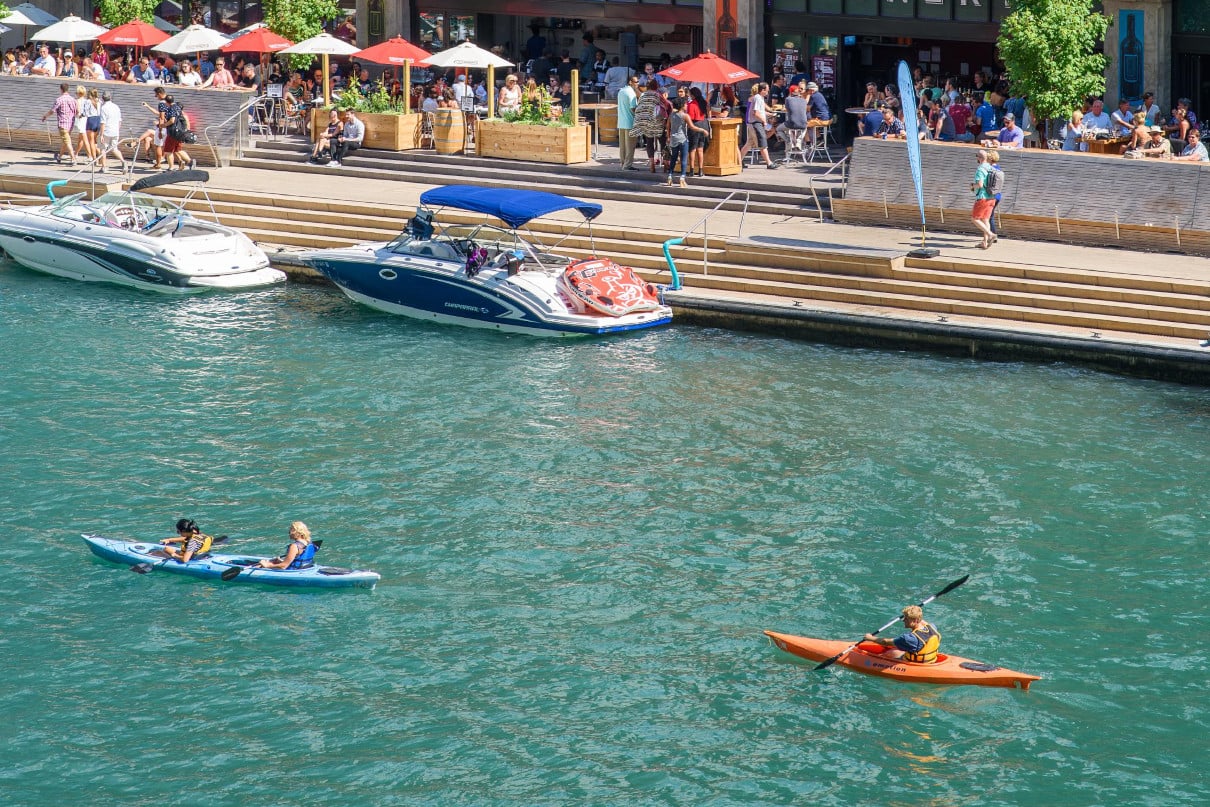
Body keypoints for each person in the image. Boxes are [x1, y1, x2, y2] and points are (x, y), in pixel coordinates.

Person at [863, 605, 941, 663]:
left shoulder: (909, 639)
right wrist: (912, 611)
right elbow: (921, 621)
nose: (903, 620)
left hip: (916, 664)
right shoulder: (932, 626)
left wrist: (870, 638)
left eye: (906, 619)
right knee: (894, 651)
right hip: (931, 660)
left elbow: (885, 642)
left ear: (915, 620)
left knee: (887, 654)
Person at [665, 96, 708, 188]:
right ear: (681, 106)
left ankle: (670, 176)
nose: (686, 105)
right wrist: (703, 130)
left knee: (673, 158)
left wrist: (668, 136)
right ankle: (682, 178)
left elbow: (668, 126)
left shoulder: (671, 115)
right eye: (685, 104)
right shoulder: (685, 116)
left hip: (673, 139)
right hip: (683, 139)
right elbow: (692, 127)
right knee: (684, 159)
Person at [739, 82, 777, 170]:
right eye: (767, 91)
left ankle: (738, 161)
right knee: (762, 143)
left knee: (749, 144)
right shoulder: (757, 98)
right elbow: (755, 113)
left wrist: (769, 114)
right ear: (762, 90)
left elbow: (760, 111)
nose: (768, 92)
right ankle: (769, 163)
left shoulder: (759, 98)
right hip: (756, 123)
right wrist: (764, 121)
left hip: (753, 123)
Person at [41, 83, 78, 166]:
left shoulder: (59, 100)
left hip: (63, 123)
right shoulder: (73, 99)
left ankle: (73, 158)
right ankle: (59, 157)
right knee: (65, 141)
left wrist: (45, 116)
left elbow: (52, 111)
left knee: (67, 141)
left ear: (61, 89)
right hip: (71, 123)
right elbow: (76, 111)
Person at [970, 148, 997, 249]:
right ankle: (984, 243)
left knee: (974, 218)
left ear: (980, 158)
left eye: (977, 156)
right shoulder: (990, 167)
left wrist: (972, 185)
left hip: (982, 198)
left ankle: (990, 234)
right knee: (985, 220)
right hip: (992, 197)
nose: (976, 158)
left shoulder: (980, 169)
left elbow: (980, 185)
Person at [160, 94, 194, 170]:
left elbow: (172, 120)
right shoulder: (178, 108)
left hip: (173, 133)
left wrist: (163, 125)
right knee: (178, 150)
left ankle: (171, 168)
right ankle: (190, 161)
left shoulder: (172, 109)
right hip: (179, 133)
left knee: (168, 151)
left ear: (166, 102)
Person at [97, 91, 125, 173]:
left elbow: (103, 122)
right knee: (114, 149)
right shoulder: (116, 107)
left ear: (102, 98)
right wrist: (117, 130)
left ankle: (104, 167)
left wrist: (101, 135)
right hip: (115, 131)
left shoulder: (103, 108)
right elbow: (120, 121)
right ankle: (123, 162)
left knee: (103, 148)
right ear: (110, 98)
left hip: (106, 131)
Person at [686, 86, 711, 177]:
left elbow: (690, 117)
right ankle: (701, 170)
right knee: (700, 149)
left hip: (695, 125)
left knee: (692, 149)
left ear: (693, 95)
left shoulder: (691, 104)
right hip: (703, 124)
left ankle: (692, 170)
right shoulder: (704, 103)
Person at [617, 74, 640, 170]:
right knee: (630, 147)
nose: (637, 84)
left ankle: (623, 163)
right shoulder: (631, 93)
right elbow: (633, 108)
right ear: (630, 82)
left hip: (621, 122)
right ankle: (627, 165)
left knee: (623, 146)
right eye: (636, 82)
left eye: (638, 82)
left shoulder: (621, 91)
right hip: (630, 122)